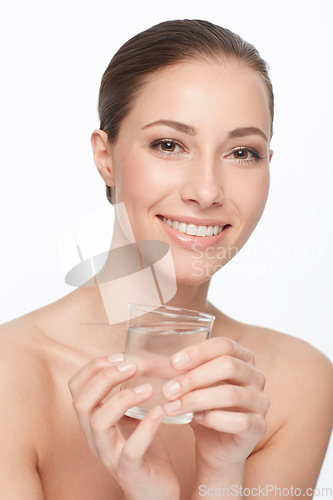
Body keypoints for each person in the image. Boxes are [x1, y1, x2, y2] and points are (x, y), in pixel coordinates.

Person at [0, 19, 332, 500]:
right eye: (169, 145)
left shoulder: (292, 382)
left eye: (242, 152)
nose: (206, 190)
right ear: (105, 156)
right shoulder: (10, 377)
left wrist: (219, 475)